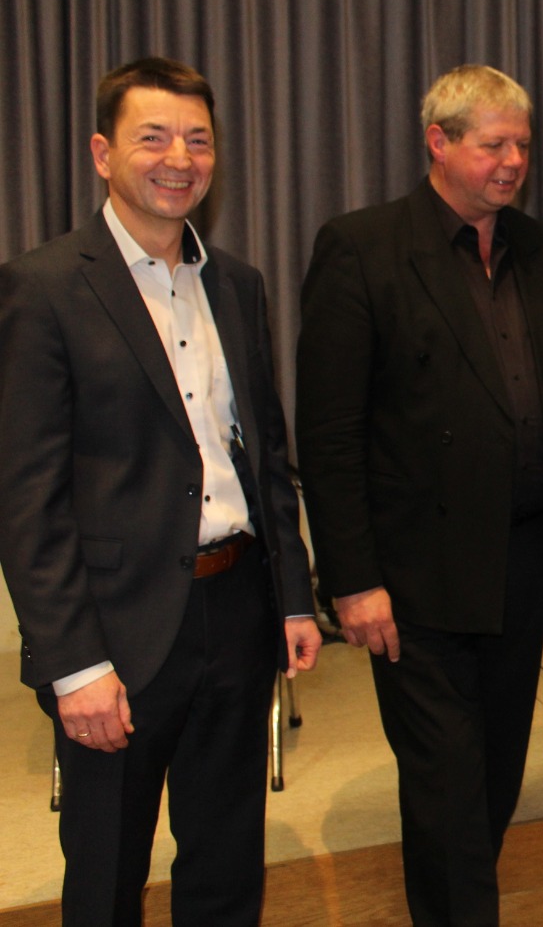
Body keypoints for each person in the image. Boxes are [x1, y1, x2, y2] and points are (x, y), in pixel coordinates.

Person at [0, 56, 321, 926]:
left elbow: (266, 455)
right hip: (115, 633)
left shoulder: (237, 285)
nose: (180, 158)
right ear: (103, 154)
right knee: (107, 874)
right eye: (154, 137)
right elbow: (26, 500)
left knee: (226, 864)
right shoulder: (44, 288)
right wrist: (74, 666)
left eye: (198, 140)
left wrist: (294, 596)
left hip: (237, 611)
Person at [295, 64, 543, 927]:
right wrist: (352, 579)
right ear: (438, 142)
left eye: (523, 146)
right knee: (446, 786)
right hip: (414, 574)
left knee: (494, 776)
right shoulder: (362, 248)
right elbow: (328, 434)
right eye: (493, 145)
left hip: (521, 559)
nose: (513, 162)